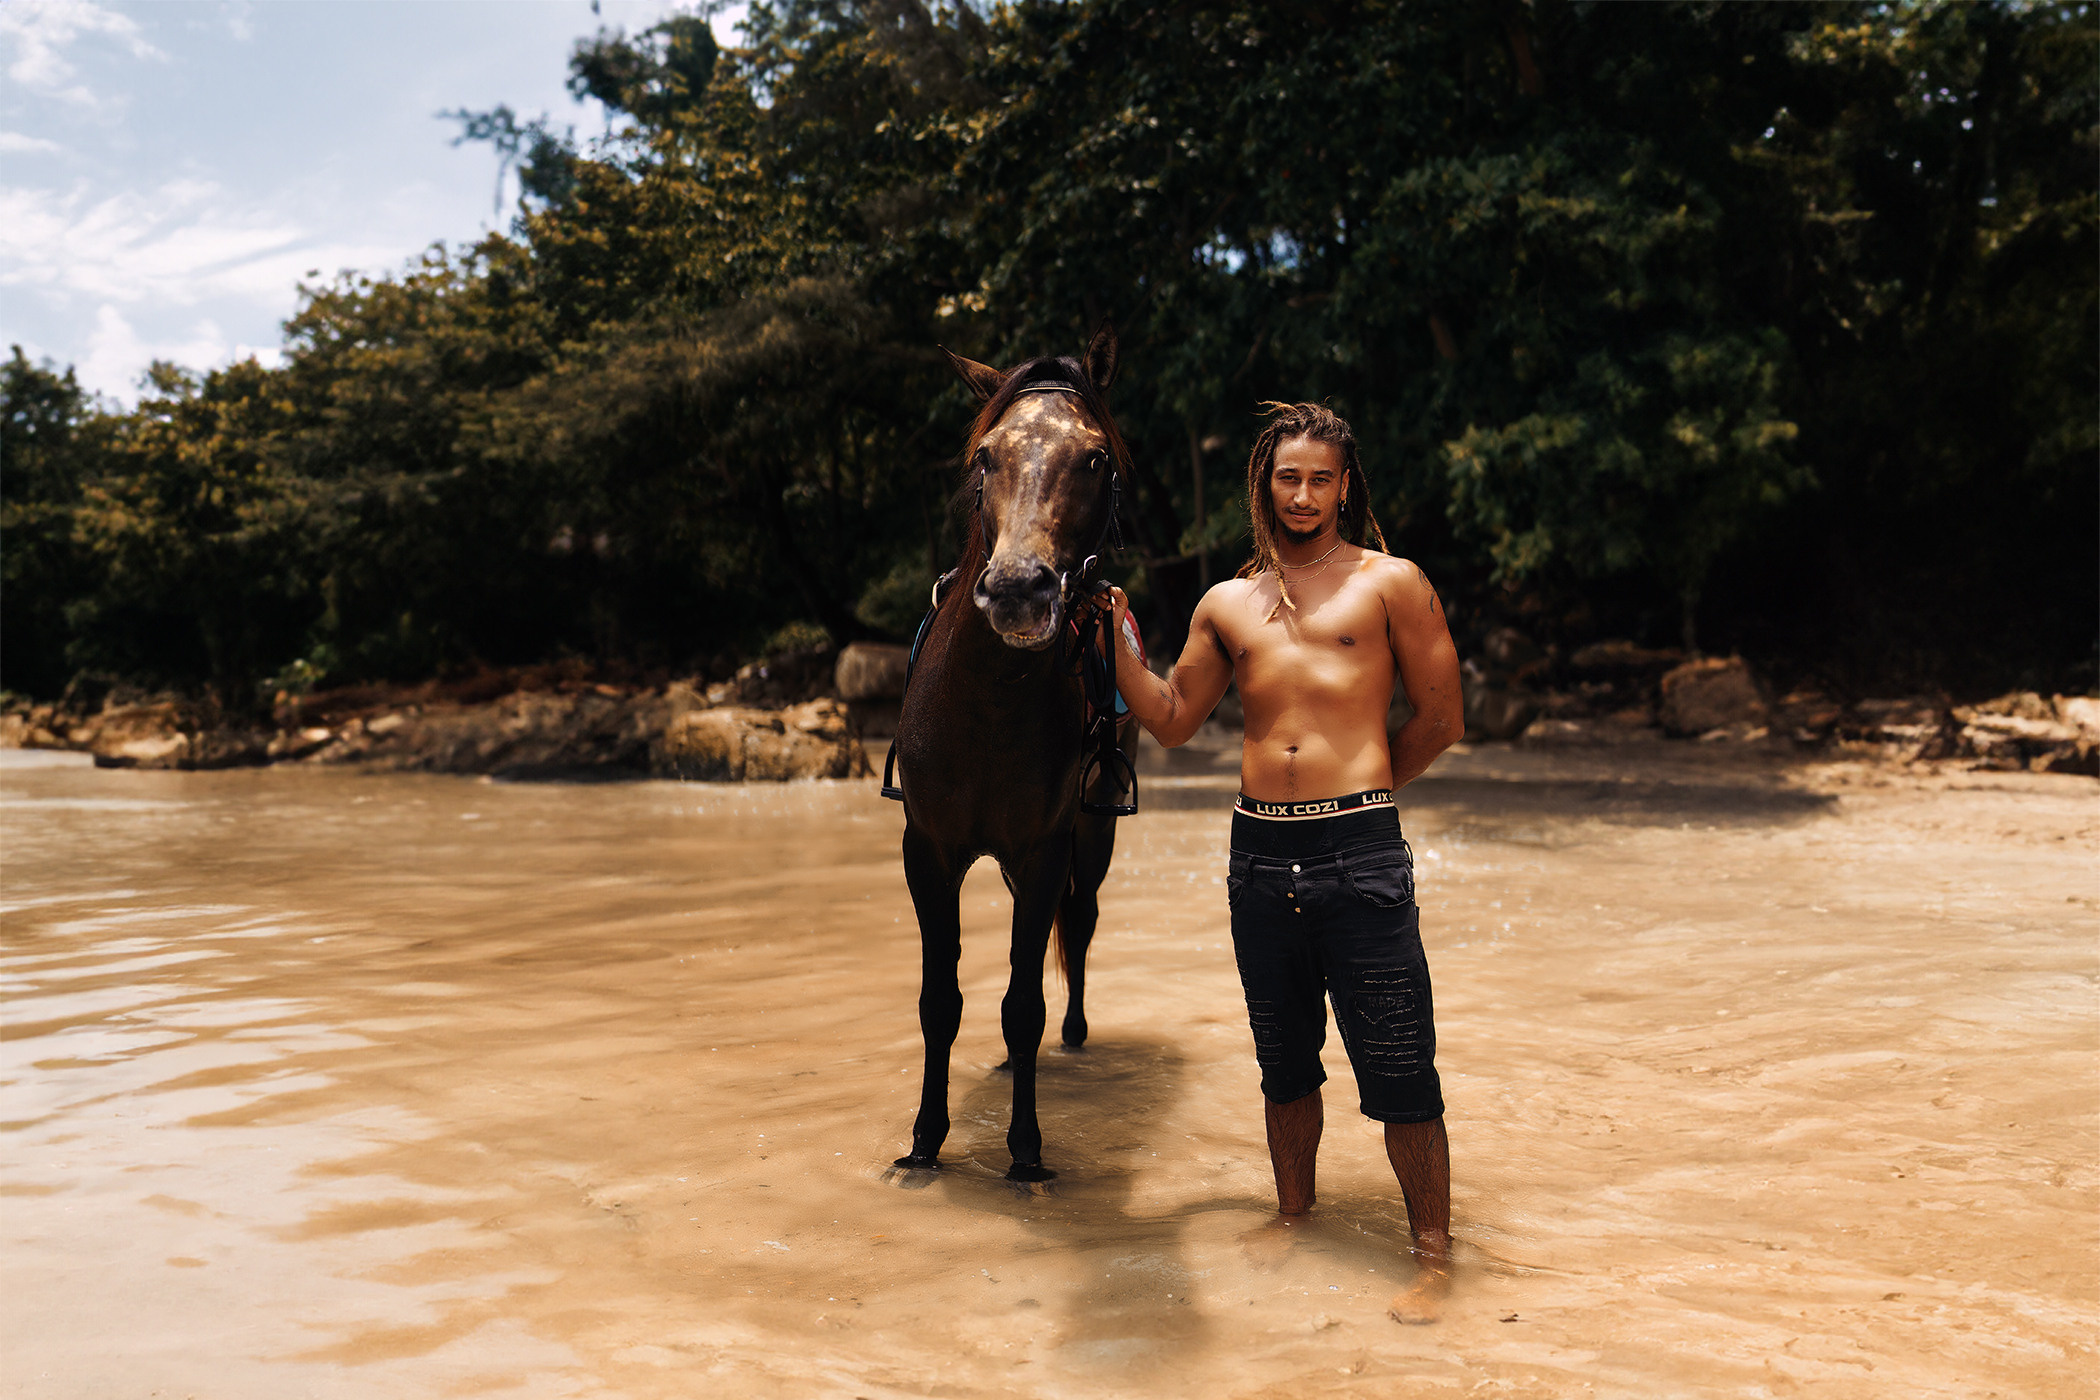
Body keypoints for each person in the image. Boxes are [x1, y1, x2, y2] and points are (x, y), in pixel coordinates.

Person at [1106, 401, 1464, 1324]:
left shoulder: (1391, 583)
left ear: (1348, 486)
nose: (1303, 496)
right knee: (1283, 1063)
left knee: (1400, 1065)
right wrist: (1116, 638)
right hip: (1260, 854)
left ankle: (1433, 1258)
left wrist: (1372, 789)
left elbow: (1440, 718)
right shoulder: (1229, 603)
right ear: (1264, 483)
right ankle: (1294, 1217)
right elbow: (1175, 720)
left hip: (1361, 851)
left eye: (1321, 478)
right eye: (1287, 477)